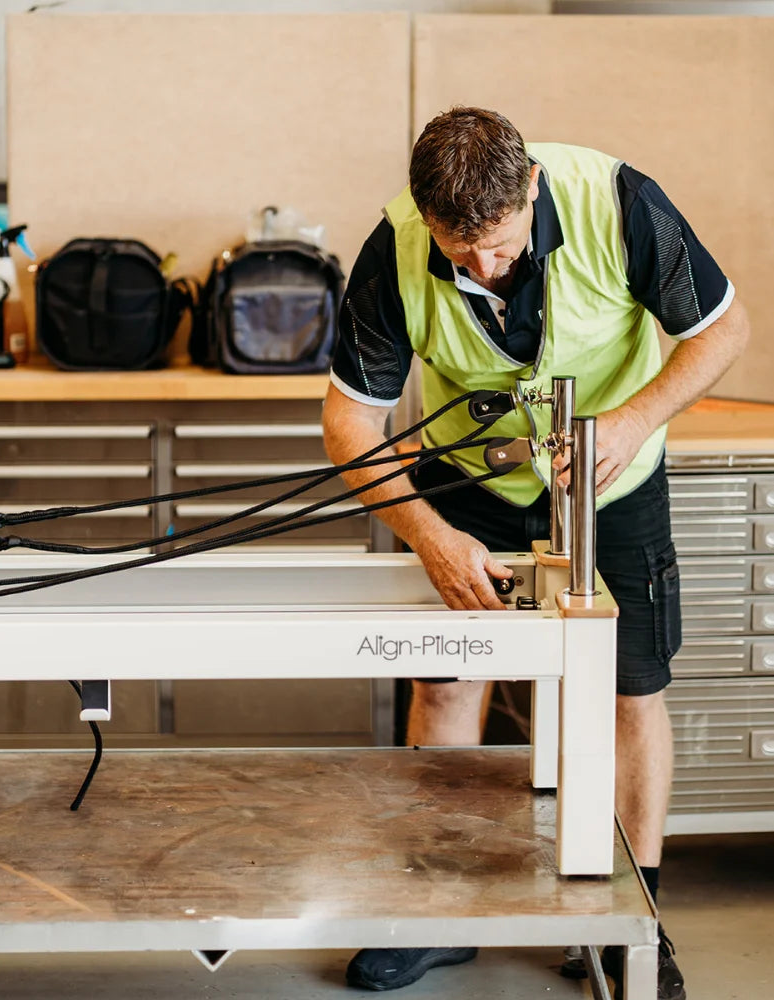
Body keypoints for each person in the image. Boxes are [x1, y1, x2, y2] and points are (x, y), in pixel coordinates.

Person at [322, 107, 750, 1000]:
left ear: (530, 192)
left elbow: (723, 331)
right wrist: (433, 539)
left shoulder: (618, 203)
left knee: (631, 689)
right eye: (458, 251)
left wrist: (630, 423)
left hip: (613, 478)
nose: (482, 269)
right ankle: (440, 912)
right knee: (446, 680)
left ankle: (637, 921)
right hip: (470, 482)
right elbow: (350, 423)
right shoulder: (395, 246)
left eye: (502, 247)